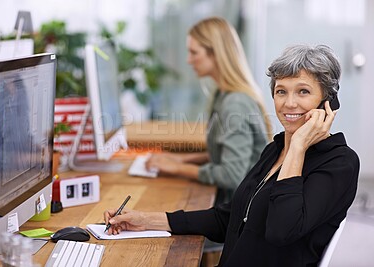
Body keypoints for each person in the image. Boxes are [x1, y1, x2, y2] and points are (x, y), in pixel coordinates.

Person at [104, 44, 360, 266]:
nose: (289, 103)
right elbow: (230, 218)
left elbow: (282, 230)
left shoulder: (340, 164)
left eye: (303, 91)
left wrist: (298, 147)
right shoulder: (276, 149)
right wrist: (145, 220)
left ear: (328, 102)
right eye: (281, 91)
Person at [146, 17, 272, 205]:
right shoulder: (221, 94)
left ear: (216, 54)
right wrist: (180, 160)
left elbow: (231, 174)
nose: (189, 60)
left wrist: (178, 169)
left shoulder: (235, 103)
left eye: (194, 53)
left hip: (237, 209)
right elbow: (223, 155)